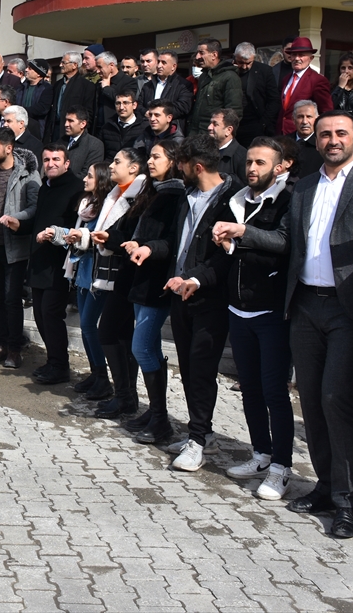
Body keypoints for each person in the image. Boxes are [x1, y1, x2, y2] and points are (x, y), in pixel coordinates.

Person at [235, 111, 353, 539]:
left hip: (349, 308)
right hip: (305, 304)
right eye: (325, 134)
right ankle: (325, 488)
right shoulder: (304, 186)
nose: (332, 140)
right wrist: (244, 234)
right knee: (310, 399)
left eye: (340, 133)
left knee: (335, 399)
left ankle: (347, 501)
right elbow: (289, 243)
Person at [211, 137, 295, 501]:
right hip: (237, 309)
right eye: (249, 162)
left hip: (272, 311)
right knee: (250, 390)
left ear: (280, 167)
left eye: (260, 163)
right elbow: (241, 252)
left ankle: (282, 467)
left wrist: (243, 233)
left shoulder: (288, 199)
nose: (251, 168)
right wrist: (228, 243)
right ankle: (261, 454)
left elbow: (284, 243)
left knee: (275, 393)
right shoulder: (238, 199)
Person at [162, 135, 240, 471]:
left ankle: (197, 442)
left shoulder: (232, 201)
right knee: (189, 369)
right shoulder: (186, 196)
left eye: (181, 165)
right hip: (180, 295)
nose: (178, 170)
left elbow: (226, 259)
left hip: (209, 298)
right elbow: (176, 243)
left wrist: (194, 280)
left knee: (202, 371)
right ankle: (199, 433)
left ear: (196, 166)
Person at [118, 141, 185, 444]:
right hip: (142, 277)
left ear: (173, 160)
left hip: (158, 281)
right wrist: (135, 242)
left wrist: (146, 246)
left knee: (141, 347)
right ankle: (156, 413)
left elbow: (171, 240)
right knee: (151, 348)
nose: (151, 161)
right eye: (151, 157)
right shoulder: (155, 190)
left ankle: (161, 422)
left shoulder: (175, 195)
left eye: (157, 157)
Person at [80, 149, 148, 416]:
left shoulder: (139, 196)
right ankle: (125, 396)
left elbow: (133, 235)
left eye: (117, 161)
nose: (112, 165)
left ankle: (126, 396)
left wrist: (109, 238)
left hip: (127, 273)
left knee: (114, 334)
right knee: (116, 334)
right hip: (109, 271)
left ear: (134, 168)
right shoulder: (115, 193)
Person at [0, 128, 41, 370]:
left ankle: (14, 349)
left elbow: (35, 206)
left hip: (14, 248)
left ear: (8, 148)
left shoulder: (27, 174)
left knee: (12, 300)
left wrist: (17, 218)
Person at [57, 161, 114, 400]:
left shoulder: (107, 209)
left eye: (89, 176)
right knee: (85, 326)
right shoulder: (86, 205)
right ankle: (95, 373)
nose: (84, 179)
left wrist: (82, 236)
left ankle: (103, 378)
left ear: (100, 179)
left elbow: (100, 238)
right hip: (81, 270)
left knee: (90, 325)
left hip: (96, 273)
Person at [29, 144, 82, 385]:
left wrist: (55, 235)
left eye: (56, 159)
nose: (51, 163)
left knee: (51, 313)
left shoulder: (77, 189)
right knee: (40, 314)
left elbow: (77, 229)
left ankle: (60, 366)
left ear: (67, 163)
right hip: (40, 260)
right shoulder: (45, 188)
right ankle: (53, 360)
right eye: (47, 159)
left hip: (60, 264)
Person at [276, 38, 333, 135]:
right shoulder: (286, 79)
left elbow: (326, 111)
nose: (297, 58)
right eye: (294, 55)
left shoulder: (317, 80)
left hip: (302, 135)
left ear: (311, 58)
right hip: (281, 134)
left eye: (301, 55)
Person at [188, 39, 244, 134]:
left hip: (214, 135)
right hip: (197, 133)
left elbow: (234, 112)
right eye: (197, 53)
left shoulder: (230, 77)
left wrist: (221, 134)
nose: (197, 57)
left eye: (201, 53)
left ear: (214, 55)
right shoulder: (203, 76)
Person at [234, 42, 280, 145]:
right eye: (240, 62)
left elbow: (274, 100)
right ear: (235, 57)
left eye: (248, 63)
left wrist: (263, 123)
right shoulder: (228, 69)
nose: (245, 67)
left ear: (253, 58)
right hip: (234, 124)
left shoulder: (264, 71)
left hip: (256, 123)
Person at [48, 50, 99, 142]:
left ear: (74, 65)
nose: (60, 65)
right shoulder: (58, 85)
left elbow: (89, 112)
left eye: (64, 62)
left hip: (74, 132)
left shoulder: (86, 86)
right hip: (55, 130)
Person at [141, 50, 194, 134]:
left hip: (171, 131)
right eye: (158, 62)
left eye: (163, 62)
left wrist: (161, 114)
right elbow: (139, 105)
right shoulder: (147, 86)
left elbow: (183, 107)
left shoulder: (184, 85)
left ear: (173, 66)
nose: (159, 65)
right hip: (148, 131)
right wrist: (146, 112)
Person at [62, 108, 104, 182]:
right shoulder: (61, 141)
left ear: (83, 124)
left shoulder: (95, 145)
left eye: (70, 121)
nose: (66, 124)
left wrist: (63, 182)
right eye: (66, 120)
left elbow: (87, 173)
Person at [208, 109, 248, 186]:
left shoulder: (242, 156)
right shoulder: (205, 151)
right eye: (210, 123)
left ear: (228, 130)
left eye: (215, 124)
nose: (209, 127)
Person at [101, 91, 145, 156]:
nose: (121, 107)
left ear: (134, 105)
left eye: (125, 103)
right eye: (118, 103)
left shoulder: (145, 127)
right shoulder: (107, 127)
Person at [19, 59, 54, 138]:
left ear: (38, 73)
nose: (26, 70)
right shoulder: (21, 87)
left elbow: (42, 108)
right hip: (20, 126)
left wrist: (21, 111)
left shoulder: (46, 88)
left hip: (37, 128)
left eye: (30, 68)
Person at [290, 100, 324, 178]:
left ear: (317, 119)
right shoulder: (283, 143)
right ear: (293, 119)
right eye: (300, 117)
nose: (305, 121)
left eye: (309, 117)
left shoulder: (323, 144)